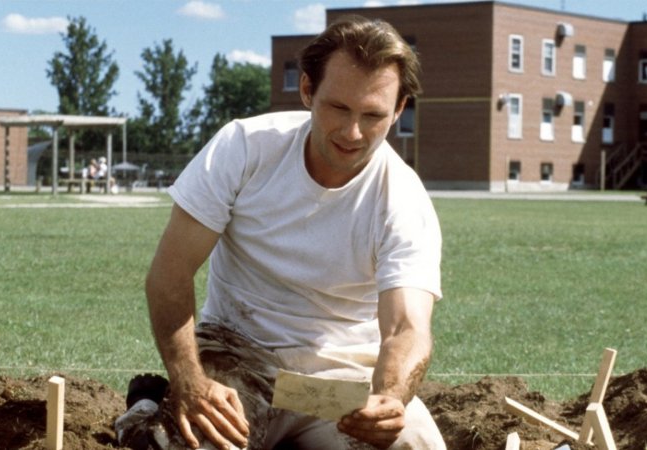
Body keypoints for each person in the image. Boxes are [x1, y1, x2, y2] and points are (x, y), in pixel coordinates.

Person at [115, 15, 445, 450]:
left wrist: (390, 398)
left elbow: (406, 326)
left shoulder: (403, 198)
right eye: (338, 108)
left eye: (373, 115)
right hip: (238, 352)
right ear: (307, 90)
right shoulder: (244, 147)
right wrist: (189, 380)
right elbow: (169, 274)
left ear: (399, 109)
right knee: (187, 445)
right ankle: (146, 413)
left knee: (416, 445)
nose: (353, 132)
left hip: (345, 379)